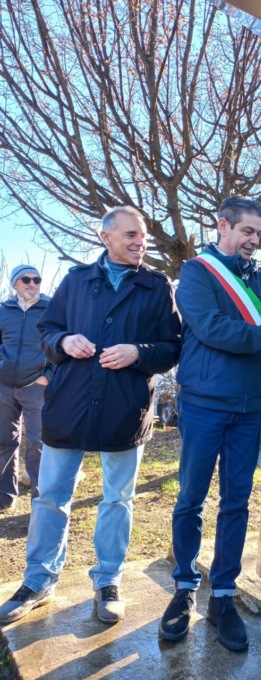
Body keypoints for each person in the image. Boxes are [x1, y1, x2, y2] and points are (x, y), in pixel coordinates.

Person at [0, 206, 181, 626]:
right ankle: (38, 581)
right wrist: (64, 342)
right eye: (131, 235)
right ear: (106, 237)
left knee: (118, 499)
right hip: (69, 406)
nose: (140, 242)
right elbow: (47, 332)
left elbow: (173, 347)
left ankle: (108, 581)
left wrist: (139, 353)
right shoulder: (76, 280)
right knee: (50, 497)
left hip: (126, 409)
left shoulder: (157, 286)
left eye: (143, 236)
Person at [158, 196, 261, 651]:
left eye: (258, 233)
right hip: (203, 404)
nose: (254, 241)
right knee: (190, 499)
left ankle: (223, 595)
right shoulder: (196, 273)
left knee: (237, 502)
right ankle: (184, 587)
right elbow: (213, 329)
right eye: (247, 231)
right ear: (223, 226)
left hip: (248, 408)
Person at [0, 265, 54, 511]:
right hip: (4, 387)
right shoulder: (4, 310)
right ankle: (4, 496)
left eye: (36, 279)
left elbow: (61, 345)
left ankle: (40, 503)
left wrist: (48, 376)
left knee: (38, 444)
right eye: (26, 279)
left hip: (36, 387)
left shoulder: (51, 309)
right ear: (15, 284)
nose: (32, 284)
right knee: (4, 442)